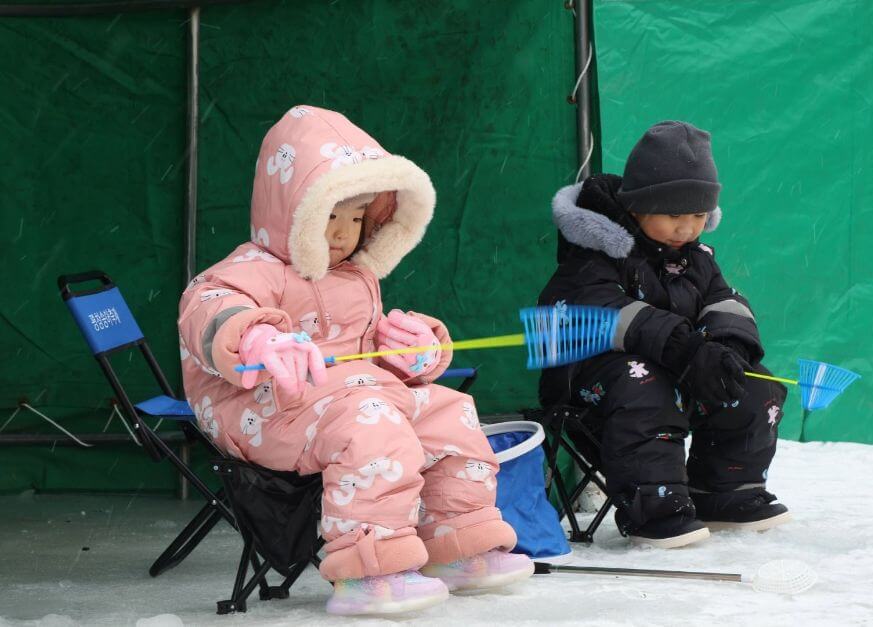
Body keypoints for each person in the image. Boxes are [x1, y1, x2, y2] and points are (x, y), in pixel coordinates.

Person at [178, 106, 532, 615]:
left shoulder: (355, 276)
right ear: (292, 212)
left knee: (449, 411)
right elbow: (207, 306)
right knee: (371, 424)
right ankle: (370, 568)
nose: (344, 233)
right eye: (330, 215)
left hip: (351, 396)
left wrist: (413, 352)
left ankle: (458, 542)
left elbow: (369, 354)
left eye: (356, 216)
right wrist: (254, 337)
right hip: (263, 405)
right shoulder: (253, 268)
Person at [538, 121, 790, 549]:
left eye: (697, 215)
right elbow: (594, 309)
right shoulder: (596, 256)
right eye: (673, 214)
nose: (686, 228)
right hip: (589, 379)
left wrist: (724, 348)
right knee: (646, 387)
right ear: (638, 206)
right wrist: (684, 347)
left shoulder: (698, 259)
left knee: (752, 383)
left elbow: (726, 302)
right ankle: (654, 507)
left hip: (675, 371)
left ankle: (725, 492)